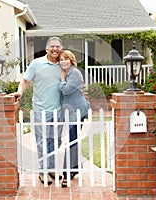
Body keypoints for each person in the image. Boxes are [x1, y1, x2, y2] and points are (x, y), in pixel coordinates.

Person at [10, 37, 63, 185]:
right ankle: (43, 172)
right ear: (47, 49)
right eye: (52, 46)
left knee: (55, 142)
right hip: (40, 110)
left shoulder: (63, 64)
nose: (55, 49)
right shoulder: (36, 63)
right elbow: (25, 80)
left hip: (57, 110)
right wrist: (19, 92)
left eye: (57, 46)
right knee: (42, 142)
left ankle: (51, 168)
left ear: (61, 49)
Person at [58, 50, 90, 187]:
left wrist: (61, 82)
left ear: (71, 60)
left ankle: (66, 174)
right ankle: (75, 167)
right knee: (73, 140)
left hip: (78, 111)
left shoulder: (74, 73)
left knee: (71, 141)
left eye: (66, 59)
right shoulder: (67, 73)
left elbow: (66, 90)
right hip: (71, 112)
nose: (63, 61)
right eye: (61, 59)